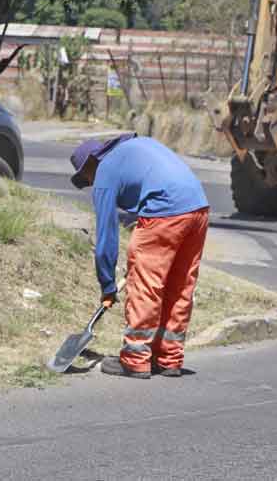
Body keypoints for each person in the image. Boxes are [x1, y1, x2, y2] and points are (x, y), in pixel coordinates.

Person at [69, 134, 210, 378]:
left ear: (91, 164)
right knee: (179, 286)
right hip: (198, 208)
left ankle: (135, 359)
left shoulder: (105, 171)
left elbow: (106, 237)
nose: (91, 183)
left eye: (86, 178)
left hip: (164, 210)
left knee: (146, 285)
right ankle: (169, 358)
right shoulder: (133, 148)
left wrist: (107, 285)